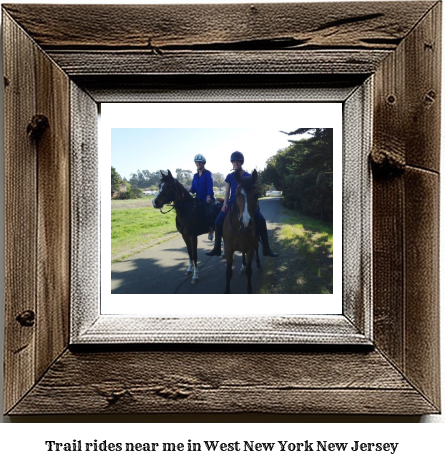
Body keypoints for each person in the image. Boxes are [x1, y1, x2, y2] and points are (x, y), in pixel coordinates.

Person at [206, 151, 278, 257]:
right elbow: (227, 192)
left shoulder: (248, 175)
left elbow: (253, 191)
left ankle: (266, 248)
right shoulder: (229, 176)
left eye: (238, 162)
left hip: (247, 204)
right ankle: (217, 248)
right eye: (234, 162)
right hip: (232, 203)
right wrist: (225, 203)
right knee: (217, 221)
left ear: (241, 163)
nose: (235, 164)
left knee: (262, 220)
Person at [189, 154, 215, 240]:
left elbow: (209, 186)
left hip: (207, 198)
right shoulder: (195, 176)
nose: (198, 164)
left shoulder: (208, 174)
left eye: (200, 163)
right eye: (197, 162)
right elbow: (193, 188)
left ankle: (211, 230)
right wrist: (188, 191)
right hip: (198, 198)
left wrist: (208, 196)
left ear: (204, 163)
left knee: (208, 212)